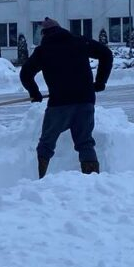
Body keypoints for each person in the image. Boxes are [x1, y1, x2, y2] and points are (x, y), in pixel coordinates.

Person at [20, 18, 113, 177]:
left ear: (44, 34)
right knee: (85, 142)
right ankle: (93, 180)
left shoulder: (43, 50)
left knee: (47, 144)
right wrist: (100, 82)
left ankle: (40, 179)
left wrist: (34, 93)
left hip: (59, 104)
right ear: (61, 29)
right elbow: (106, 54)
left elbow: (25, 74)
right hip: (85, 100)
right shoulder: (80, 42)